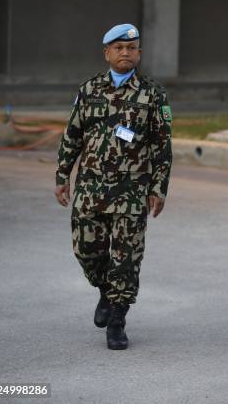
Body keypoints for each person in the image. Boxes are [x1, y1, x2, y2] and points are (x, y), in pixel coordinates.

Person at [54, 23, 172, 350]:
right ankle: (105, 291)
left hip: (132, 191)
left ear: (139, 53)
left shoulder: (153, 93)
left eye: (131, 48)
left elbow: (162, 146)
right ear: (106, 52)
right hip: (90, 190)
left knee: (126, 258)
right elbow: (72, 136)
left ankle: (118, 318)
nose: (125, 53)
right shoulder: (89, 90)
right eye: (118, 48)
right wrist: (62, 175)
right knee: (86, 250)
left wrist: (158, 188)